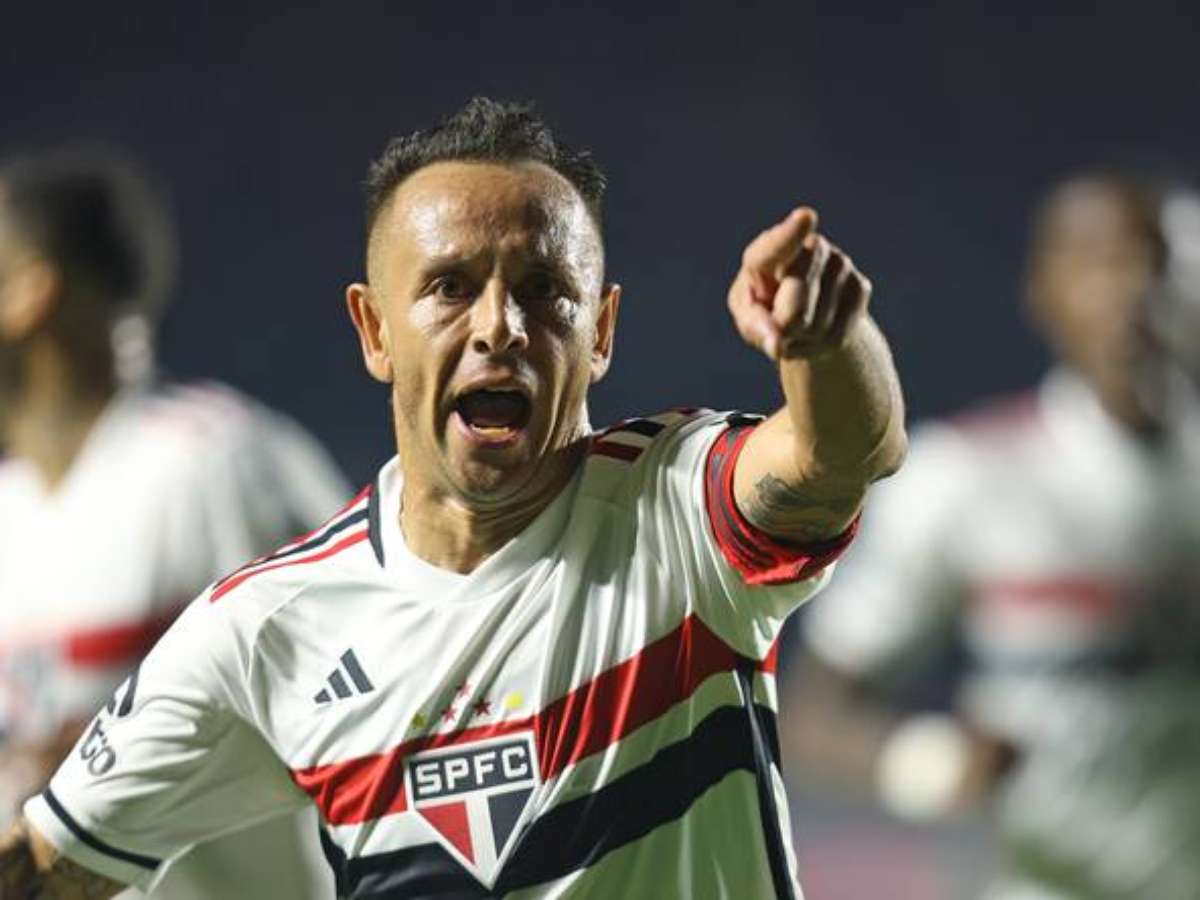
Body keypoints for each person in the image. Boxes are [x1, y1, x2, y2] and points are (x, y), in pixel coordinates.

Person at [1, 97, 906, 899]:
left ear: (601, 333)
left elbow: (840, 454)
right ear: (374, 330)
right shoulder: (267, 629)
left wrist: (828, 342)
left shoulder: (676, 509)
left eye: (545, 291)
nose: (499, 326)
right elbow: (46, 867)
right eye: (449, 287)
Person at [791, 173, 1200, 899]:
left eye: (1161, 263)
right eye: (1102, 263)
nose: (1134, 291)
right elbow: (812, 713)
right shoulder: (970, 477)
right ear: (1045, 292)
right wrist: (925, 762)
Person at [0, 150, 349, 898]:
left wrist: (114, 761)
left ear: (29, 294)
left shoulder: (219, 465)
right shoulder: (10, 510)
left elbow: (395, 707)